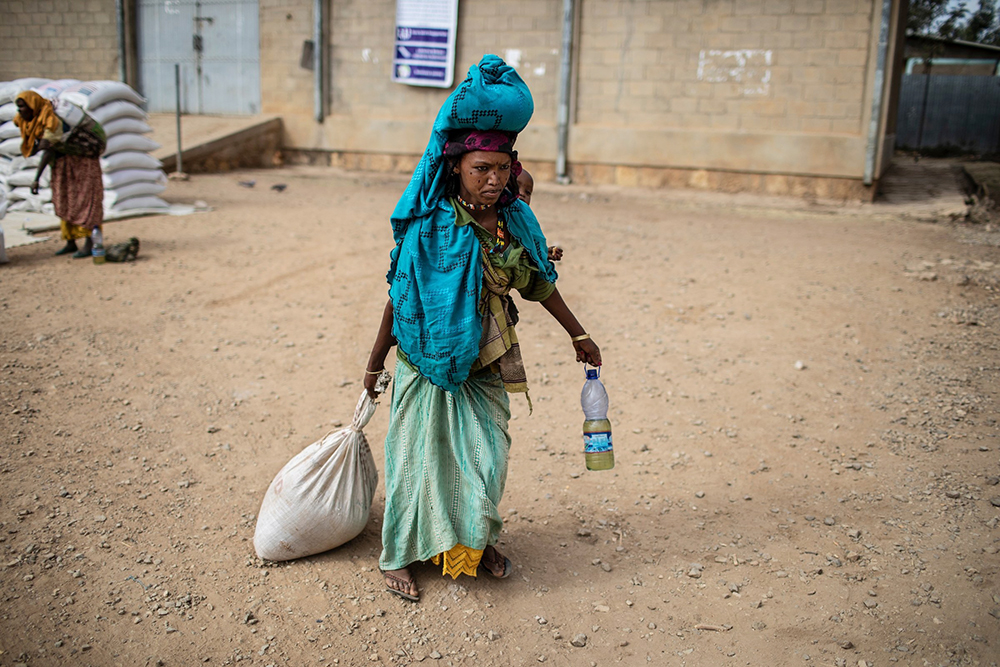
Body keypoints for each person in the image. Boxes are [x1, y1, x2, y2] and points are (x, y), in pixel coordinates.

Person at [363, 55, 601, 602]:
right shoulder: (430, 229)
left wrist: (578, 333)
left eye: (501, 169)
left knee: (486, 461)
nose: (493, 181)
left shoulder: (515, 220)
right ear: (455, 170)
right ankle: (397, 553)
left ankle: (476, 539)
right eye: (480, 170)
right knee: (416, 463)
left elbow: (538, 281)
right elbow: (399, 300)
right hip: (427, 363)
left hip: (486, 359)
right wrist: (375, 362)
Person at [14, 92, 106, 258]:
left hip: (82, 163)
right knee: (64, 200)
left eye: (23, 107)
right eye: (18, 107)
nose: (20, 111)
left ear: (33, 106)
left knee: (85, 201)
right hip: (63, 164)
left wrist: (36, 178)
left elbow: (47, 148)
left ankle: (90, 242)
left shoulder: (51, 120)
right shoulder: (36, 121)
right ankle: (70, 241)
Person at [516, 168, 563, 262]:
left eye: (528, 192)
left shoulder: (528, 222)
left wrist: (543, 253)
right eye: (516, 187)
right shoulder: (493, 217)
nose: (522, 194)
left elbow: (528, 248)